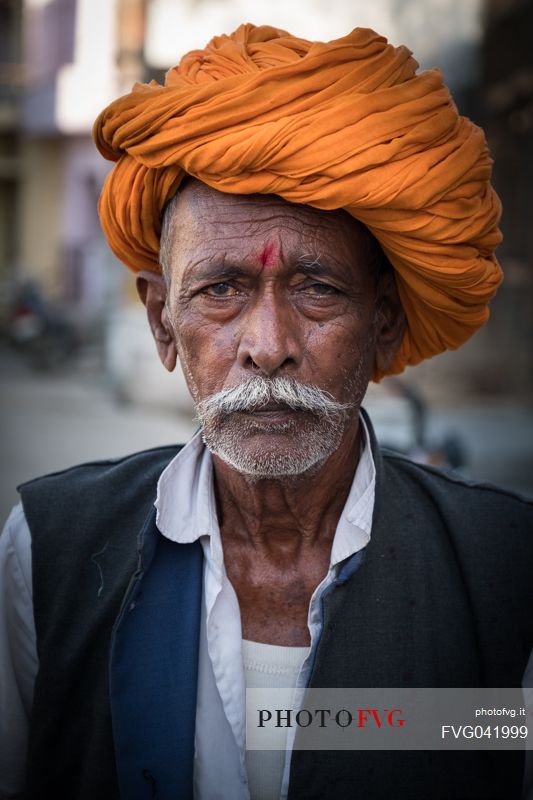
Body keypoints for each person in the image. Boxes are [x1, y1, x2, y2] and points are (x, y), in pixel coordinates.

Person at [1, 23, 532, 800]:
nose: (268, 345)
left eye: (317, 288)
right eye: (220, 290)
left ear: (382, 320)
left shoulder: (504, 571)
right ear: (161, 323)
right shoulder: (46, 547)